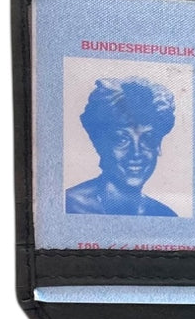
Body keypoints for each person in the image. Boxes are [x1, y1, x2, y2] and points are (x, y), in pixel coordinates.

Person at [65, 77, 180, 216]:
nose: (136, 153)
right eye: (121, 139)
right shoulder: (69, 205)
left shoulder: (164, 214)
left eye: (148, 139)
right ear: (99, 143)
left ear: (158, 146)